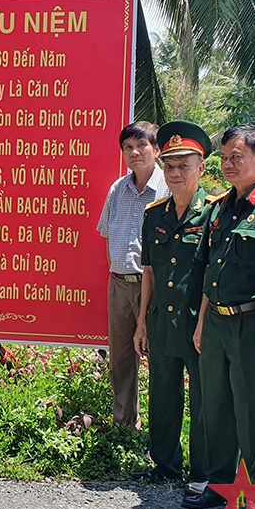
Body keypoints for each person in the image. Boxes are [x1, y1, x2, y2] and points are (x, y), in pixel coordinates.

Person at [182, 124, 255, 509]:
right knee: (216, 406)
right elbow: (209, 269)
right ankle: (218, 483)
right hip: (216, 323)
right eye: (225, 157)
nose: (228, 163)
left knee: (253, 410)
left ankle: (250, 493)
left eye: (236, 156)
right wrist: (200, 324)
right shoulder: (218, 206)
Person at [133, 121, 212, 495]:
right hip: (161, 321)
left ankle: (202, 472)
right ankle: (165, 464)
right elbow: (149, 271)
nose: (175, 173)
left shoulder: (214, 213)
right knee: (163, 394)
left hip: (199, 324)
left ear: (201, 168)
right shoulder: (154, 214)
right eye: (170, 166)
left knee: (202, 398)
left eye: (184, 165)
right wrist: (141, 323)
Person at [97, 121, 170, 429]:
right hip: (119, 284)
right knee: (121, 359)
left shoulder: (168, 187)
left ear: (156, 149)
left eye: (142, 146)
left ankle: (160, 433)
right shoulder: (118, 189)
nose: (134, 152)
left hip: (154, 286)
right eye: (128, 147)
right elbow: (107, 235)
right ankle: (125, 425)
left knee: (159, 359)